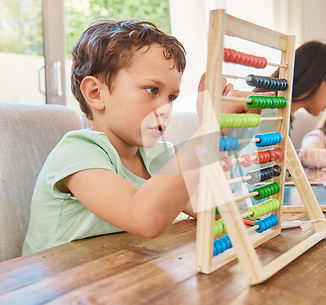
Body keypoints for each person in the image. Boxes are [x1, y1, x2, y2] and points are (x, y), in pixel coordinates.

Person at [22, 19, 252, 255]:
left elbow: (210, 206)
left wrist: (216, 129)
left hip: (121, 276)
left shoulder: (158, 154)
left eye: (171, 97)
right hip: (54, 286)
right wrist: (208, 132)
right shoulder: (76, 152)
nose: (166, 108)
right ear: (95, 93)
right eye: (152, 90)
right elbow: (143, 217)